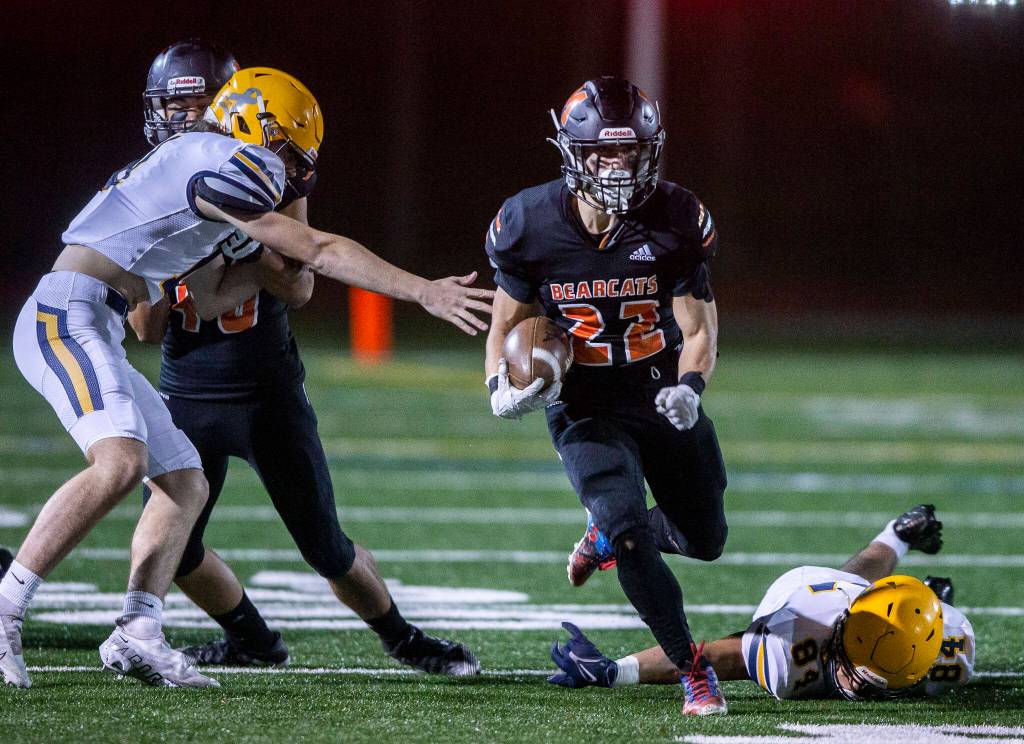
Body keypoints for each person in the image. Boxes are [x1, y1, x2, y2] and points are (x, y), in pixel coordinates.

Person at [2, 61, 492, 689]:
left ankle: (138, 632)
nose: (291, 168)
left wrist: (256, 263)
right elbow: (318, 251)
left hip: (99, 315)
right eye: (286, 148)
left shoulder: (195, 159)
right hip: (68, 313)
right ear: (253, 125)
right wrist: (423, 290)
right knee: (120, 464)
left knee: (183, 483)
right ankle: (7, 604)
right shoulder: (226, 157)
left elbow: (215, 298)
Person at [129, 41, 480, 674]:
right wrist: (171, 257)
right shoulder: (146, 188)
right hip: (186, 389)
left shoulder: (260, 173)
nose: (185, 121)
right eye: (174, 108)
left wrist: (243, 238)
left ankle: (404, 639)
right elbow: (148, 328)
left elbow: (303, 276)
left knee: (325, 546)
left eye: (198, 105)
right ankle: (254, 642)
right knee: (175, 547)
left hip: (267, 387)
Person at [484, 77, 728, 715]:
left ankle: (608, 533)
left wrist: (690, 386)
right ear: (572, 152)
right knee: (629, 537)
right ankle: (691, 667)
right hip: (584, 404)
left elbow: (701, 329)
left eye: (631, 154)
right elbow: (506, 326)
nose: (618, 169)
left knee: (706, 539)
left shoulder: (676, 216)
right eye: (603, 155)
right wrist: (498, 387)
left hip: (657, 391)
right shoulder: (529, 222)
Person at [548, 504, 975, 702]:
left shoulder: (952, 657)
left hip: (859, 614)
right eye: (851, 667)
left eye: (870, 680)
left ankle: (903, 540)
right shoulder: (796, 647)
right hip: (807, 594)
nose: (852, 685)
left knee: (871, 588)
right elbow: (713, 657)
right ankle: (896, 535)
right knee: (855, 580)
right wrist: (614, 672)